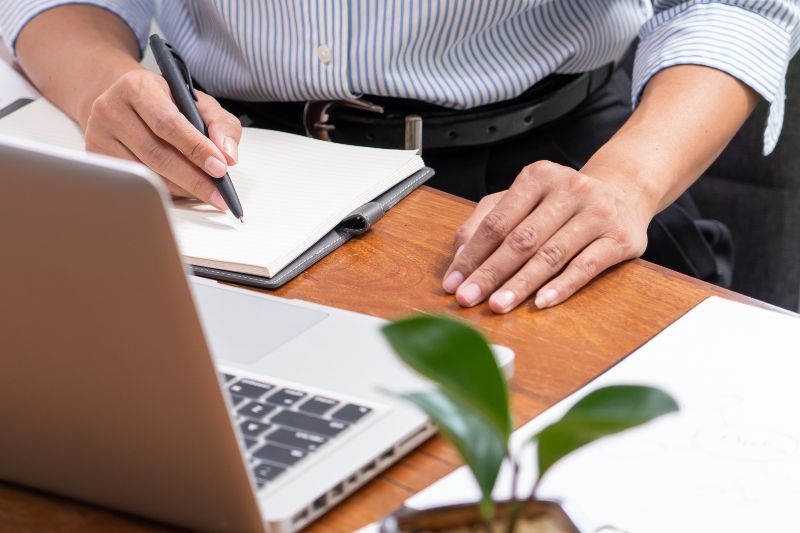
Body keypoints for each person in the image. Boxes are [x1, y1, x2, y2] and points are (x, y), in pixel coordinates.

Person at [2, 1, 797, 313]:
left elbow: (734, 7)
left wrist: (628, 182)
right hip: (220, 172)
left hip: (544, 180)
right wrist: (106, 83)